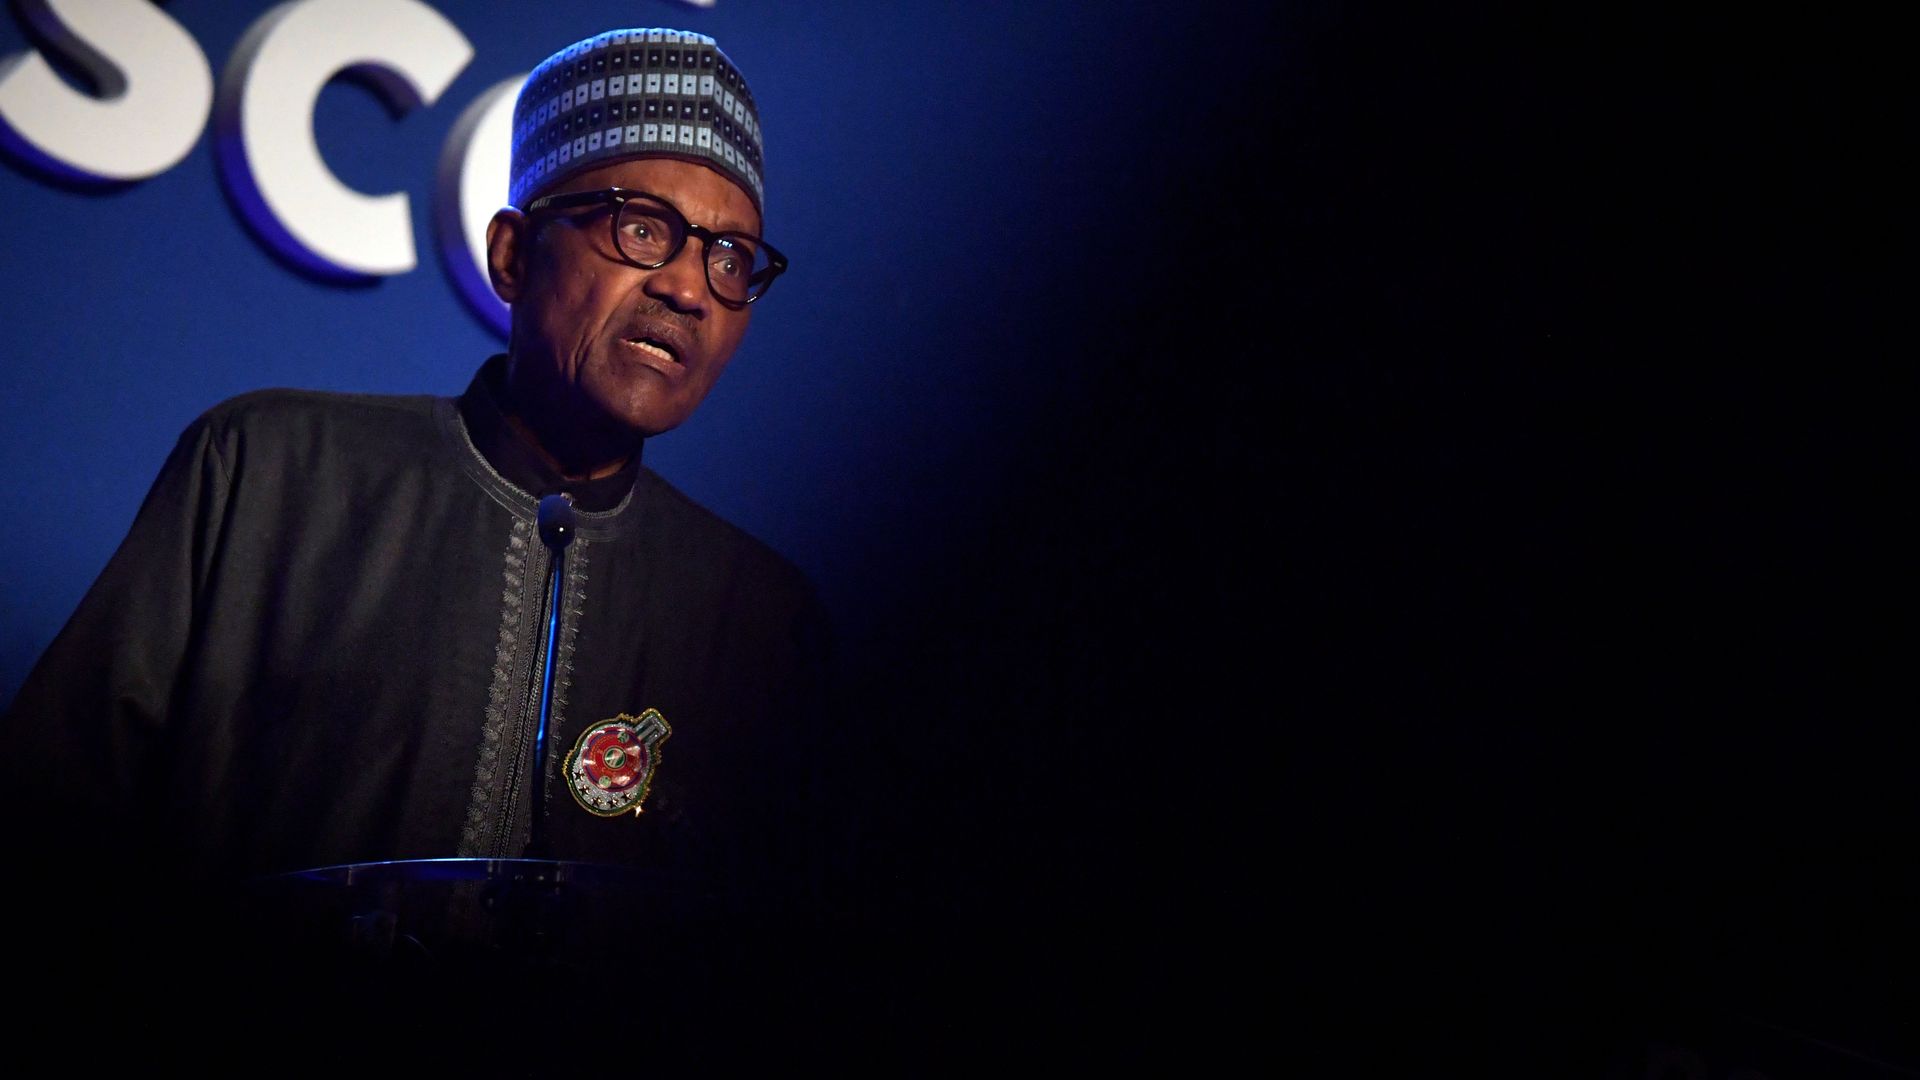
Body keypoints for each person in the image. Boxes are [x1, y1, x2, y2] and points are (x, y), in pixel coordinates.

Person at [0, 28, 825, 931]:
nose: (691, 290)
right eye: (642, 229)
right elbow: (46, 845)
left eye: (730, 257)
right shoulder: (265, 474)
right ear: (513, 255)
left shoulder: (762, 622)